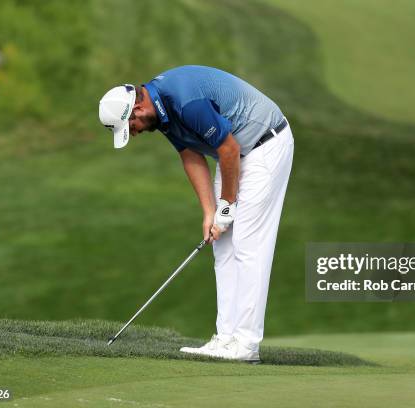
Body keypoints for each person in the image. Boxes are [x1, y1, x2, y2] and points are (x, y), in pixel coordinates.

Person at [98, 65, 294, 362]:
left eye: (131, 127)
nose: (134, 134)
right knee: (223, 248)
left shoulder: (184, 100)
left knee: (248, 246)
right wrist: (209, 213)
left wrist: (226, 205)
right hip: (235, 154)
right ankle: (225, 337)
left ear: (137, 107)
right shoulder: (160, 112)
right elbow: (190, 155)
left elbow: (228, 149)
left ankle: (246, 343)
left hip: (264, 145)